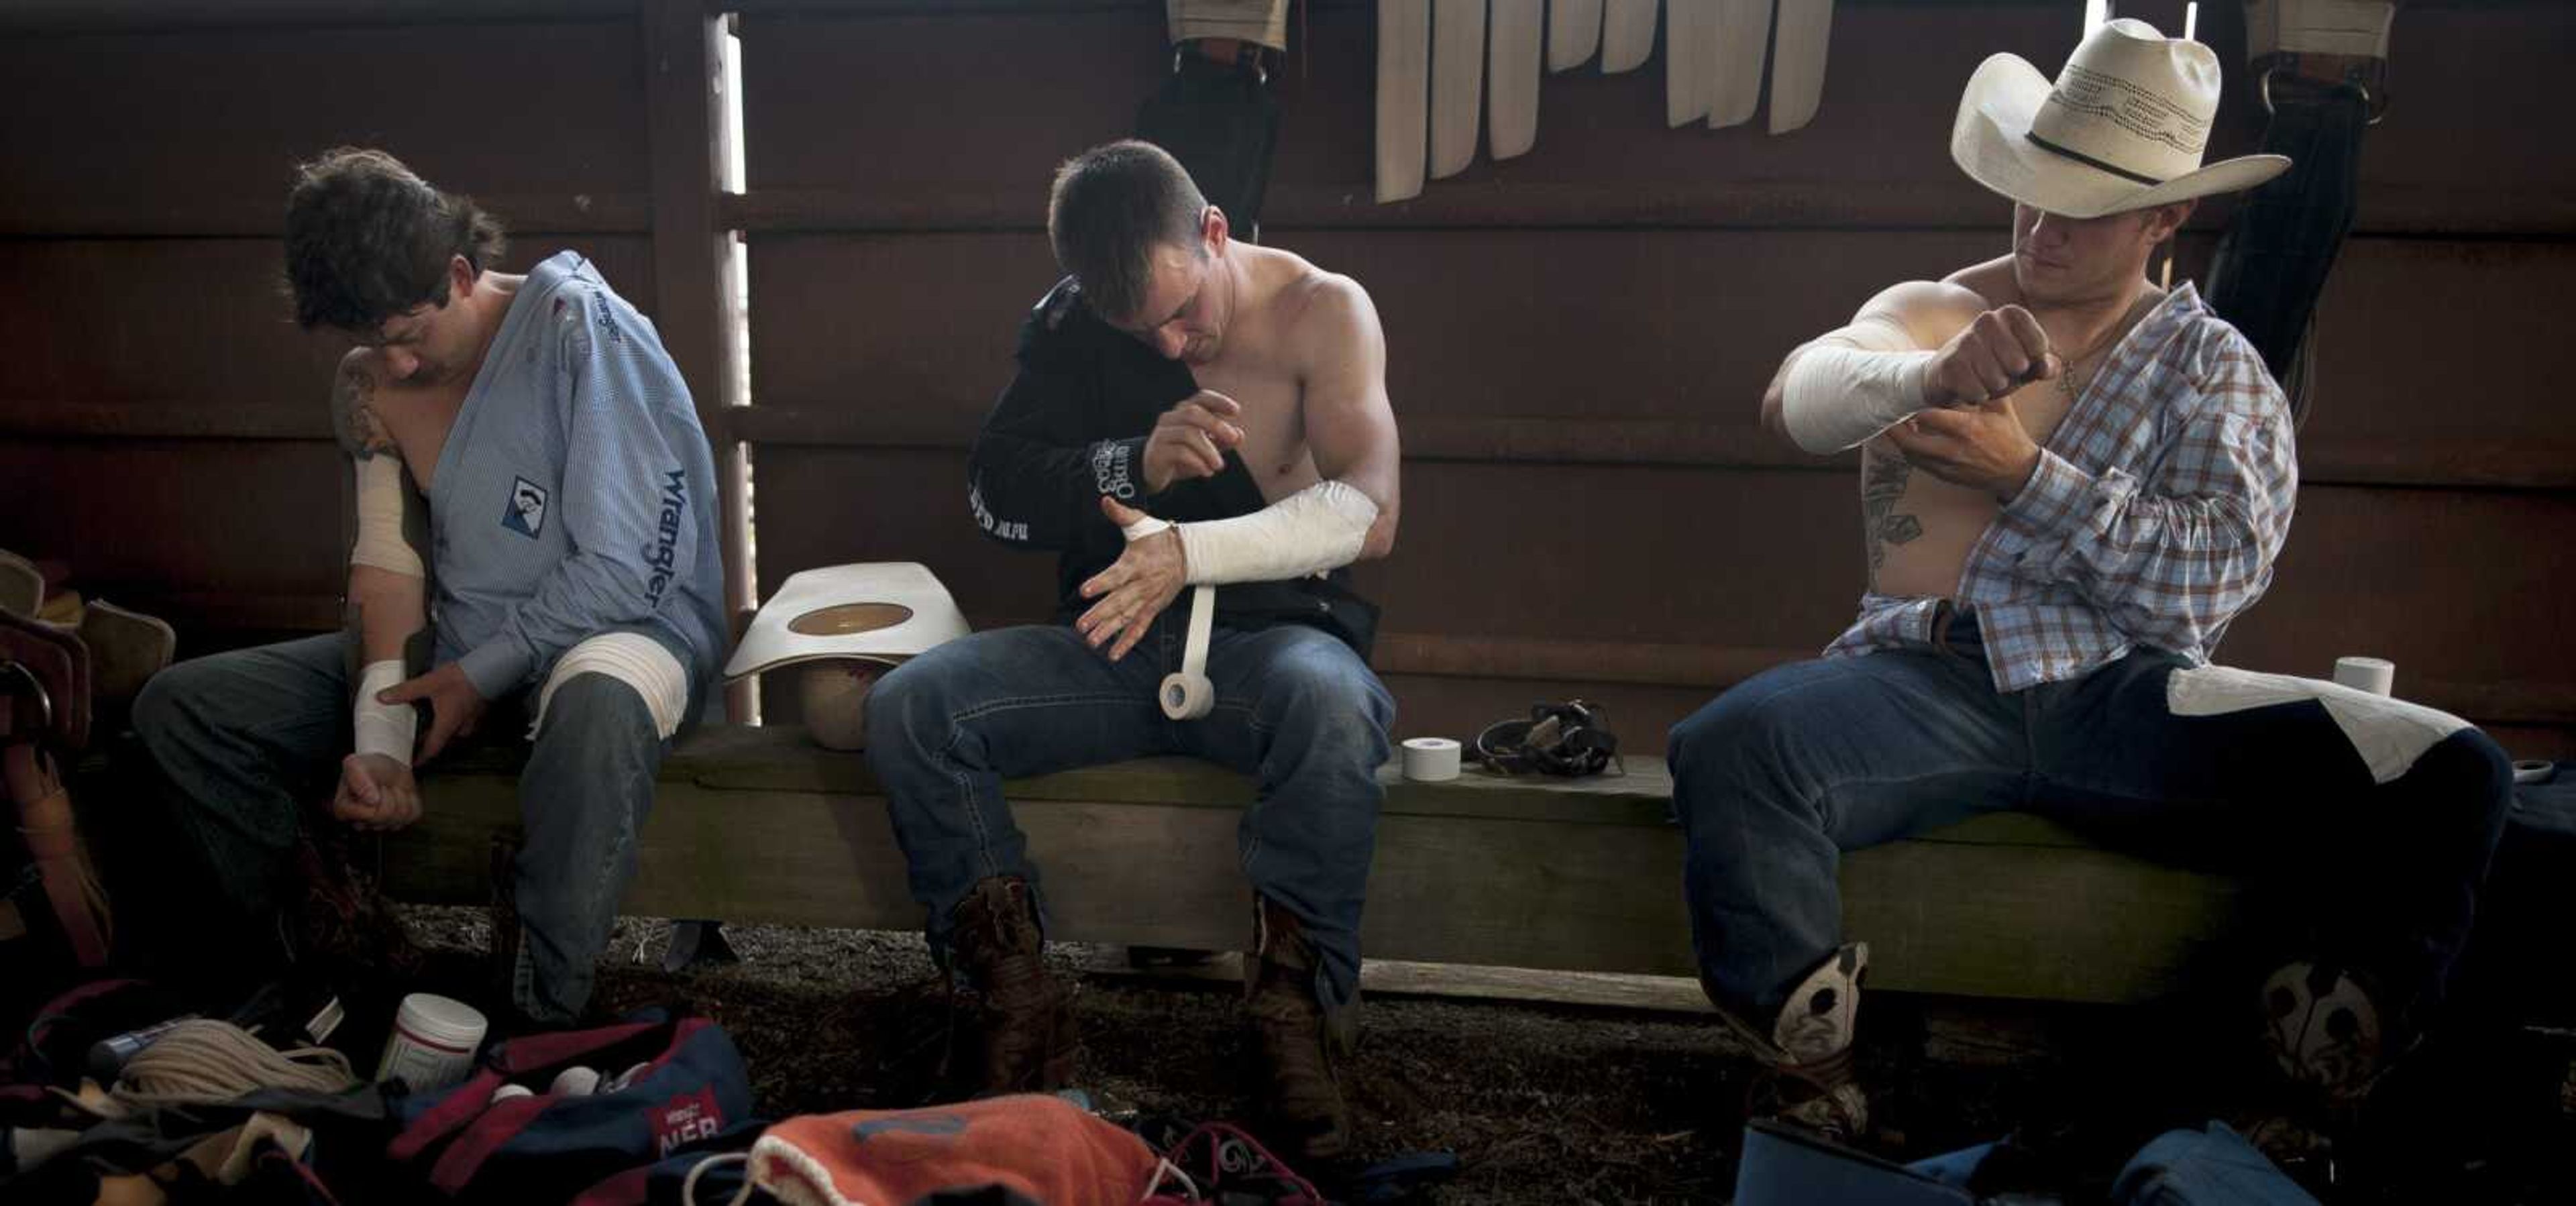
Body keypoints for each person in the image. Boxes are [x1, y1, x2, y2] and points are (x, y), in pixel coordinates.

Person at [1667, 20, 2512, 1149]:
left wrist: (2030, 478)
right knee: (1734, 741)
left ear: (2166, 217)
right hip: (1932, 679)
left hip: (2130, 697)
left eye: (2085, 205)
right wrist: (1923, 372)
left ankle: (2301, 1092)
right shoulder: (1941, 304)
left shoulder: (2215, 371)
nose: (2041, 225)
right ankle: (1813, 1082)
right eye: (2031, 189)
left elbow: (2208, 581)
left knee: (2451, 766)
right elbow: (1797, 393)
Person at [865, 140, 1400, 1162]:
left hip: (1270, 642)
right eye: (1139, 328)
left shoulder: (1324, 309)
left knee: (1338, 706)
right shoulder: (1074, 325)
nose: (1169, 343)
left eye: (1184, 310)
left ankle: (1290, 1016)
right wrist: (1131, 462)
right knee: (913, 709)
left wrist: (1189, 551)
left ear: (1213, 232)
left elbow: (1369, 515)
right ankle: (1014, 999)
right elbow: (994, 486)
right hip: (1113, 638)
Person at [132, 148, 729, 1029]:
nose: (398, 364)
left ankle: (539, 1016)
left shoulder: (577, 325)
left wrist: (480, 673)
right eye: (377, 340)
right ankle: (313, 970)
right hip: (459, 639)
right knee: (185, 708)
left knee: (598, 699)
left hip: (624, 625)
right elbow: (389, 565)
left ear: (460, 271)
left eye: (410, 333)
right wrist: (382, 735)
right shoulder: (370, 383)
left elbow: (628, 563)